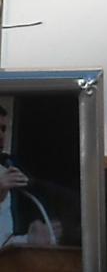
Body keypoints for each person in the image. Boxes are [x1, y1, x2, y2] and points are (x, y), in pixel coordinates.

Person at [0, 104, 61, 247]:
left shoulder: (5, 171)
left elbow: (3, 241)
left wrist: (30, 239)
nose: (1, 135)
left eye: (3, 129)